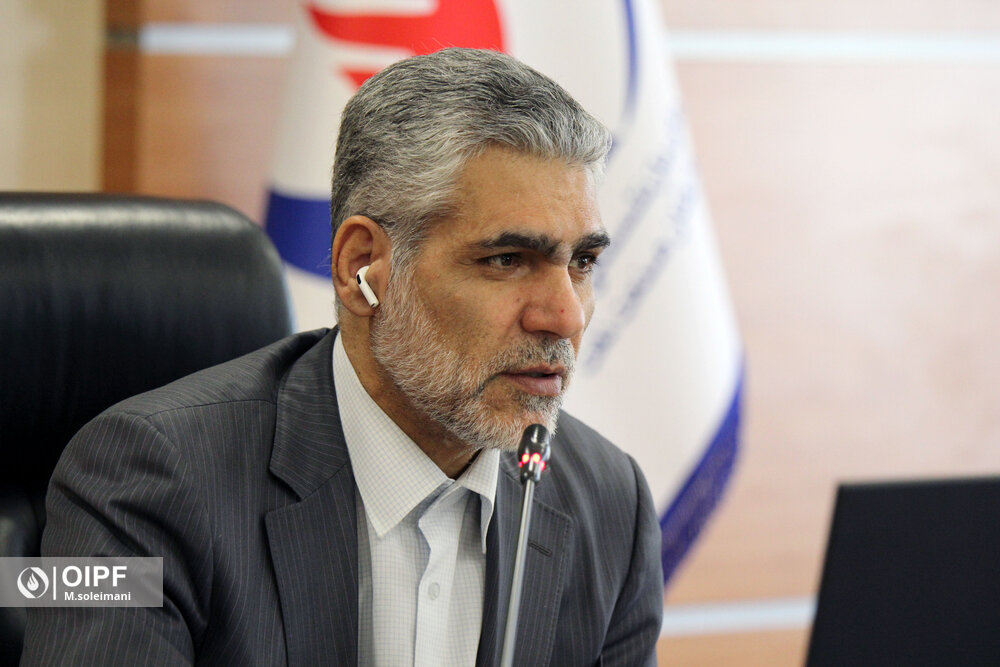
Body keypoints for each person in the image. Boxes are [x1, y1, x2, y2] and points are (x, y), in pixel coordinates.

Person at [22, 48, 662, 666]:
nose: (567, 316)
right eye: (506, 259)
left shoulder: (612, 504)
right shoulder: (140, 480)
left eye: (582, 262)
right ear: (363, 267)